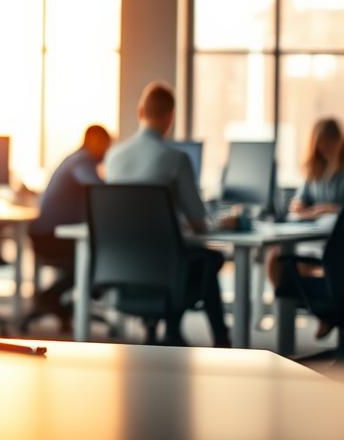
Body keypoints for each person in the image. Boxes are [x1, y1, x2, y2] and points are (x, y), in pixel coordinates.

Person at [104, 81, 232, 346]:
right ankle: (220, 340)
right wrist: (225, 222)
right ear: (170, 118)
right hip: (167, 273)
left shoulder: (113, 158)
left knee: (196, 259)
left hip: (123, 272)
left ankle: (174, 331)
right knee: (210, 260)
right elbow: (199, 224)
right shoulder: (176, 159)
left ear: (140, 111)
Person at [27, 125, 110, 329]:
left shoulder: (74, 159)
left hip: (50, 235)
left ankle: (58, 301)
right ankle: (49, 298)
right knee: (96, 261)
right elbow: (98, 190)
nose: (107, 152)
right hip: (50, 237)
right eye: (106, 146)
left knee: (95, 259)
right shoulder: (82, 161)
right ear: (94, 141)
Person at [267, 118, 344, 290]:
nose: (326, 147)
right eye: (322, 142)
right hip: (309, 231)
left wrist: (328, 209)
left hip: (333, 238)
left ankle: (323, 308)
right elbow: (298, 201)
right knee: (275, 257)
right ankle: (290, 305)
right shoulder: (315, 169)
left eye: (330, 141)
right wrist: (299, 205)